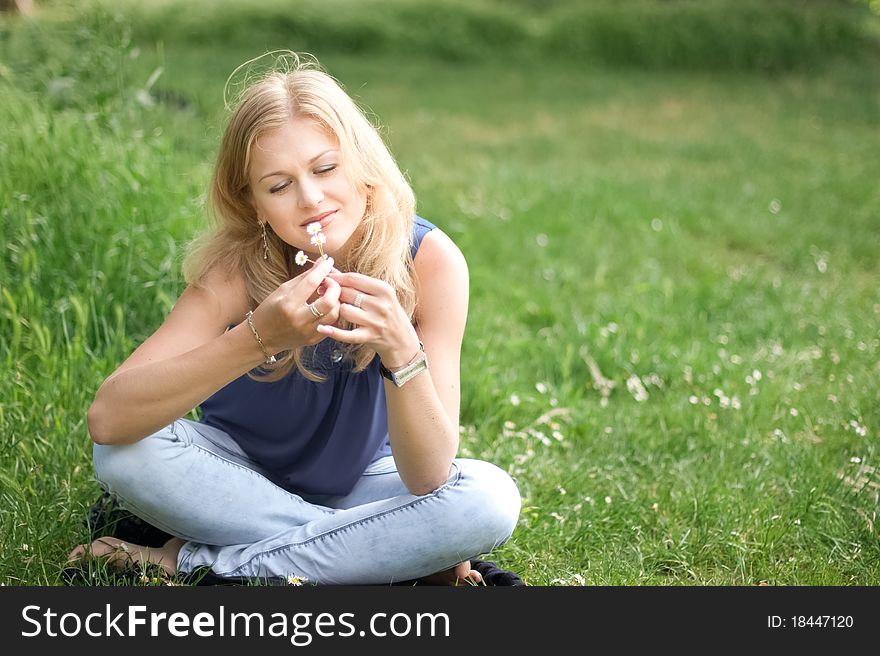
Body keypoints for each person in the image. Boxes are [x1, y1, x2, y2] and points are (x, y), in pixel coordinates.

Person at [67, 53, 521, 585]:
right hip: (234, 480)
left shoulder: (429, 261)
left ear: (362, 166)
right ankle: (378, 556)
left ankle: (194, 560)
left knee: (487, 501)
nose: (310, 200)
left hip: (367, 481)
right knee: (123, 455)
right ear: (254, 203)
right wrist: (261, 336)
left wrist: (401, 349)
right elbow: (109, 418)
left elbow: (428, 476)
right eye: (278, 186)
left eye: (325, 169)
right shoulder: (235, 270)